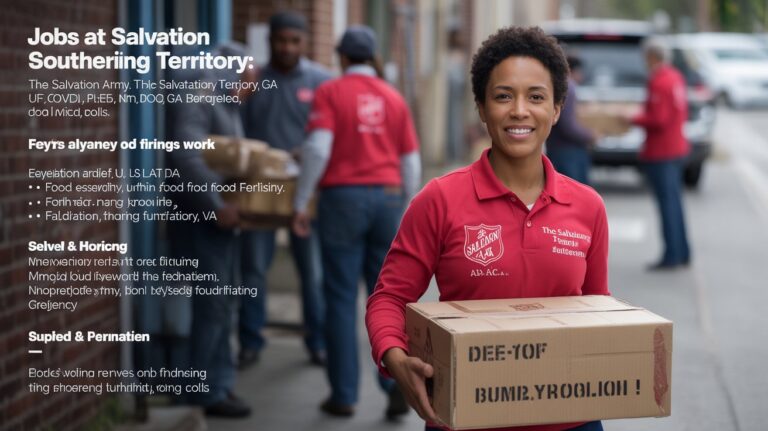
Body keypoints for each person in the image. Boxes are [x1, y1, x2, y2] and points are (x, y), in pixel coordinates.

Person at [365, 27, 608, 431]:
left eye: (536, 97)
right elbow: (388, 298)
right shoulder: (438, 200)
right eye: (502, 96)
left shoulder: (587, 207)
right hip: (466, 418)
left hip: (570, 421)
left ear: (557, 109)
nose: (519, 111)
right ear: (481, 107)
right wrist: (393, 355)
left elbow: (598, 311)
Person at [291, 26, 422, 419]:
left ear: (342, 58)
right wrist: (403, 206)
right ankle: (393, 382)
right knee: (388, 297)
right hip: (386, 197)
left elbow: (317, 148)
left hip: (342, 200)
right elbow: (410, 162)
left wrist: (301, 201)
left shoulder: (330, 92)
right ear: (373, 57)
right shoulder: (393, 97)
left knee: (340, 297)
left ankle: (344, 394)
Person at [238, 12, 332, 368]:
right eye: (282, 41)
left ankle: (317, 342)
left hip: (304, 192)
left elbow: (328, 138)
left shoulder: (322, 82)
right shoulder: (254, 79)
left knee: (311, 272)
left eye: (295, 41)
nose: (288, 48)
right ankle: (250, 341)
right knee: (253, 270)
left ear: (305, 42)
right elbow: (237, 130)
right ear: (271, 41)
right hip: (259, 188)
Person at [166, 42, 254, 418]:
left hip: (220, 220)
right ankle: (198, 393)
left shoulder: (223, 96)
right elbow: (185, 156)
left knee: (222, 304)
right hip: (201, 218)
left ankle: (217, 385)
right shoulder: (201, 89)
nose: (250, 92)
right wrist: (216, 207)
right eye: (250, 82)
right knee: (212, 305)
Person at [628, 39, 691, 270]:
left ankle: (671, 255)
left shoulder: (659, 82)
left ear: (652, 57)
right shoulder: (675, 76)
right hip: (676, 148)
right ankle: (682, 251)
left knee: (667, 205)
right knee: (675, 202)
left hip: (662, 151)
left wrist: (631, 118)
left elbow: (658, 120)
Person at [546, 55, 596, 184]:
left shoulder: (559, 85)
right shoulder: (569, 87)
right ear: (574, 70)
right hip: (568, 151)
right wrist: (590, 135)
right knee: (574, 190)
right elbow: (568, 125)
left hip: (558, 148)